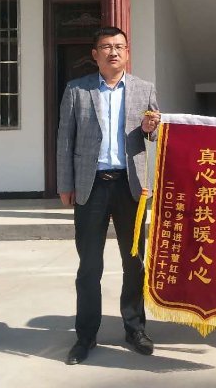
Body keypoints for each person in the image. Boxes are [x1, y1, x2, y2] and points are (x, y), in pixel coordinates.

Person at [57, 26, 161, 365]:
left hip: (130, 187)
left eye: (119, 46)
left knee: (134, 262)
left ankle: (135, 328)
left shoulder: (144, 89)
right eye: (106, 47)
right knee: (89, 265)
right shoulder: (77, 89)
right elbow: (65, 139)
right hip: (91, 186)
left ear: (127, 53)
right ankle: (85, 336)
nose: (113, 52)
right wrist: (65, 183)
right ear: (95, 54)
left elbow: (155, 135)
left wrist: (151, 129)